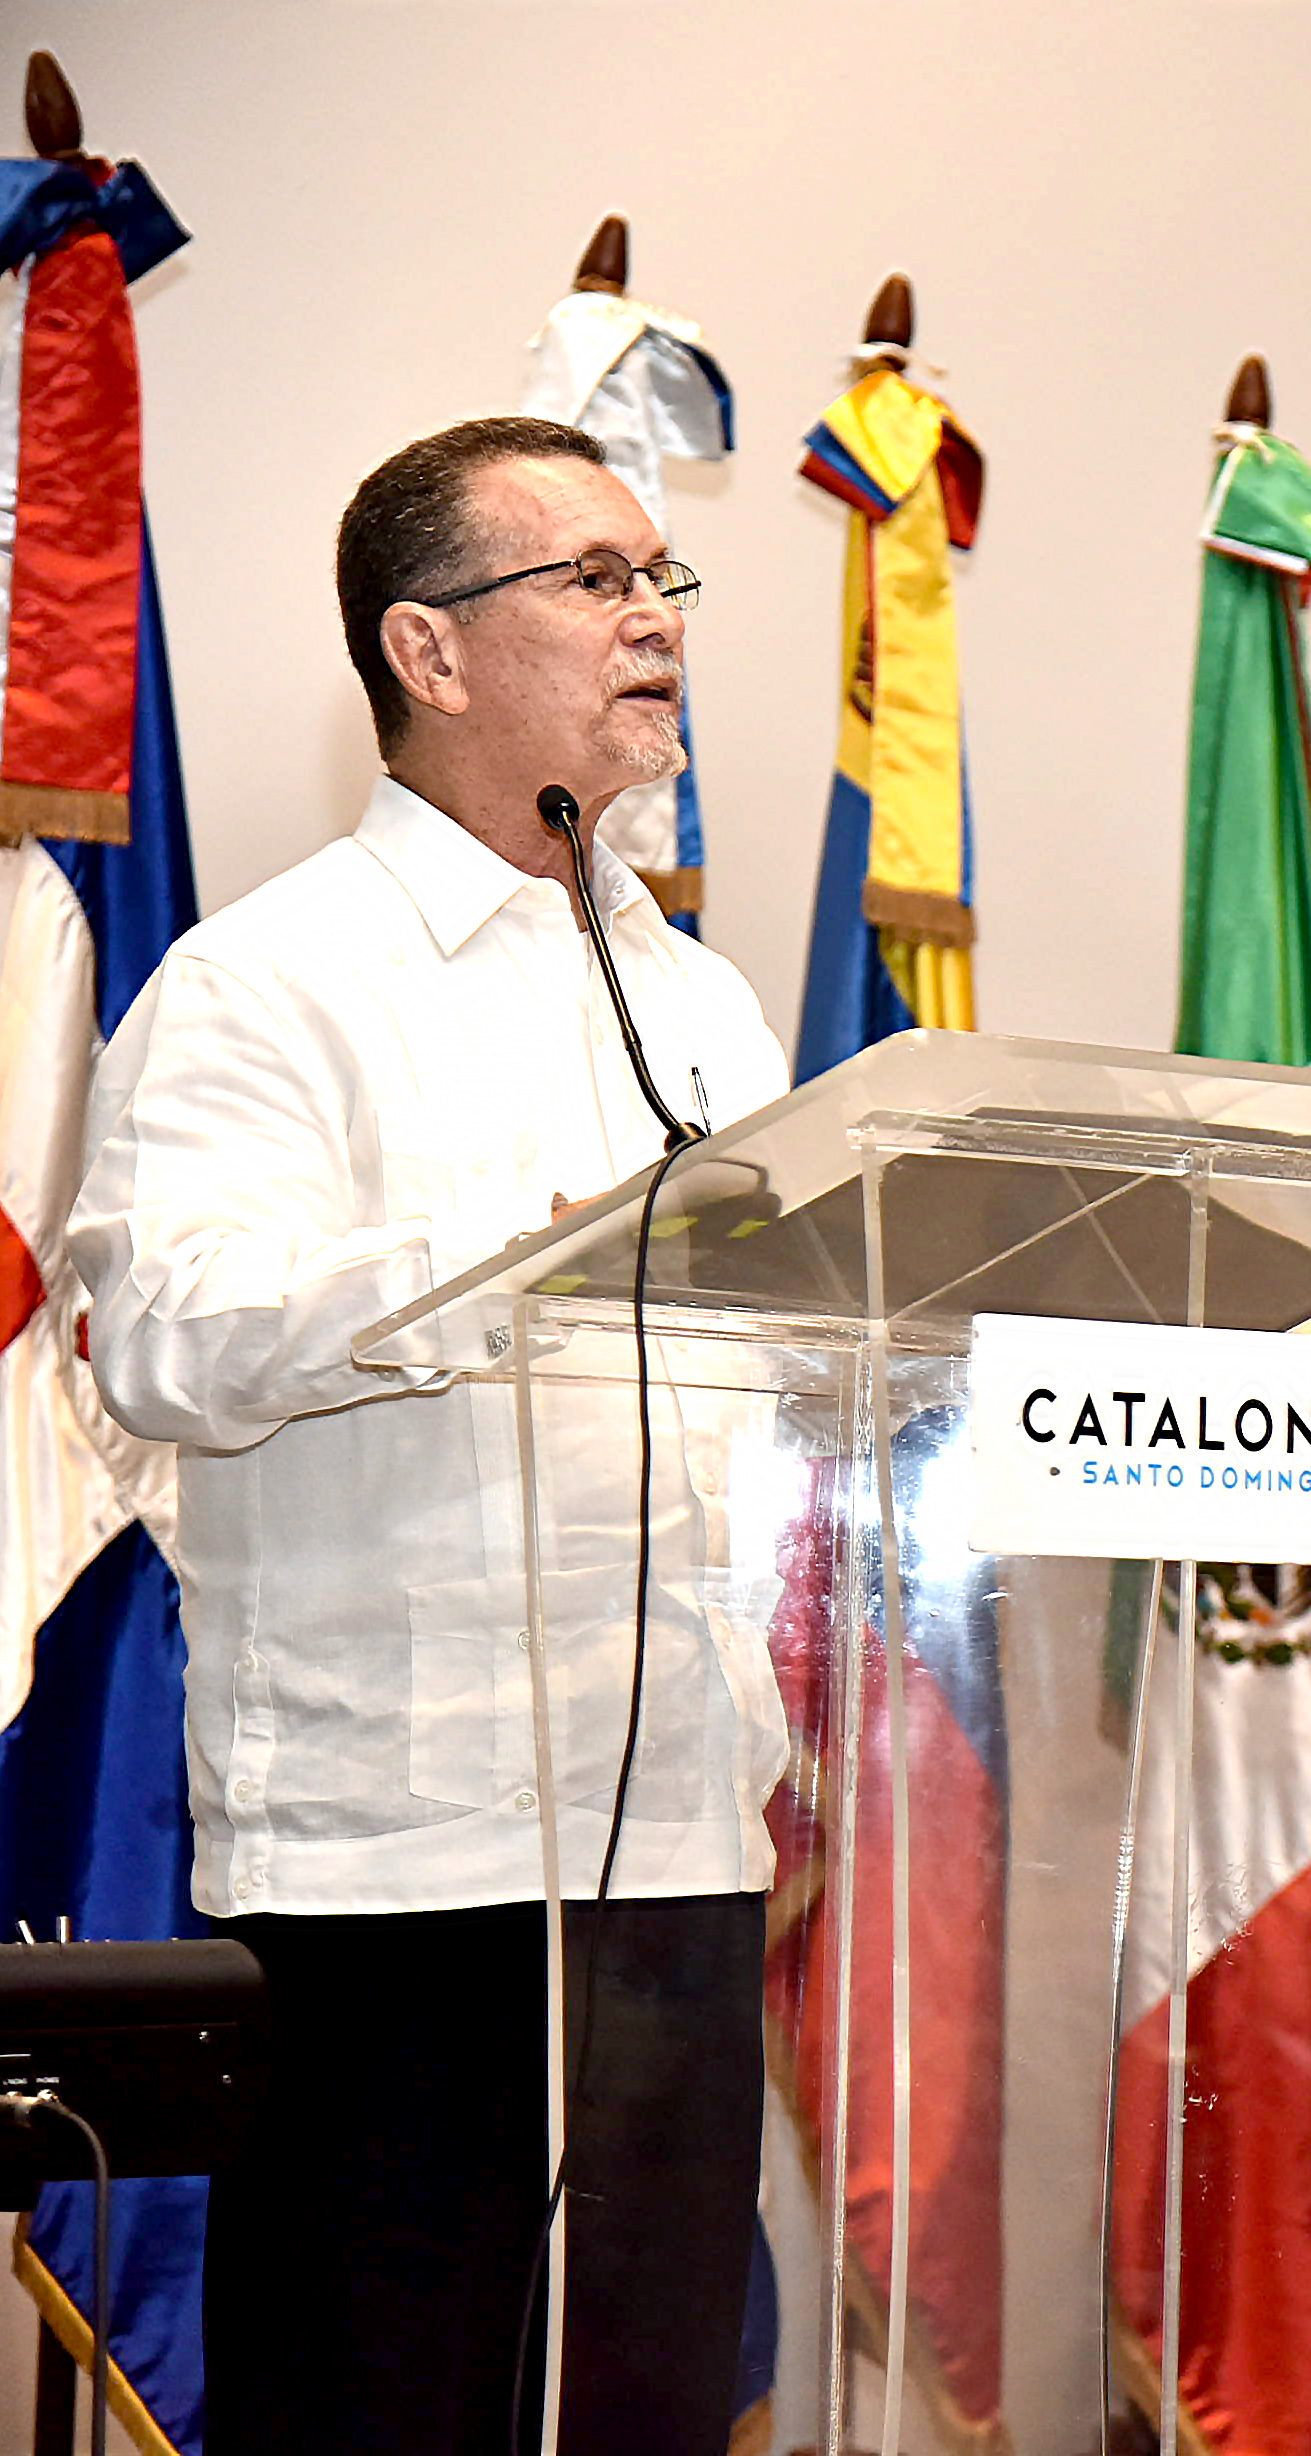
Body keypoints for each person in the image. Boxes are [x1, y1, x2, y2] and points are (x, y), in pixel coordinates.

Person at [70, 417, 794, 2454]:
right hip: (404, 1862)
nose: (655, 619)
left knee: (642, 2401)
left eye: (666, 581)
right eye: (594, 578)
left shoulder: (706, 1009)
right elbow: (172, 1337)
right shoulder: (265, 985)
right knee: (396, 2403)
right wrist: (513, 1261)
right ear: (430, 649)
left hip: (672, 1845)